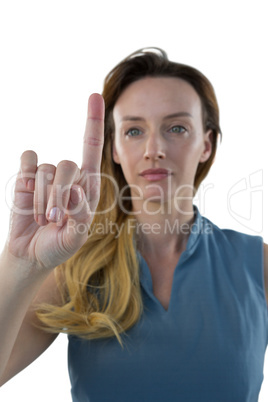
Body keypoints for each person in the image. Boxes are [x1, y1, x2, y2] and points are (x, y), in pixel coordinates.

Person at [0, 47, 267, 401]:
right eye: (133, 131)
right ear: (113, 149)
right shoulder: (74, 267)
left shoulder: (258, 264)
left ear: (207, 143)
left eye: (176, 127)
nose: (153, 148)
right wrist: (21, 263)